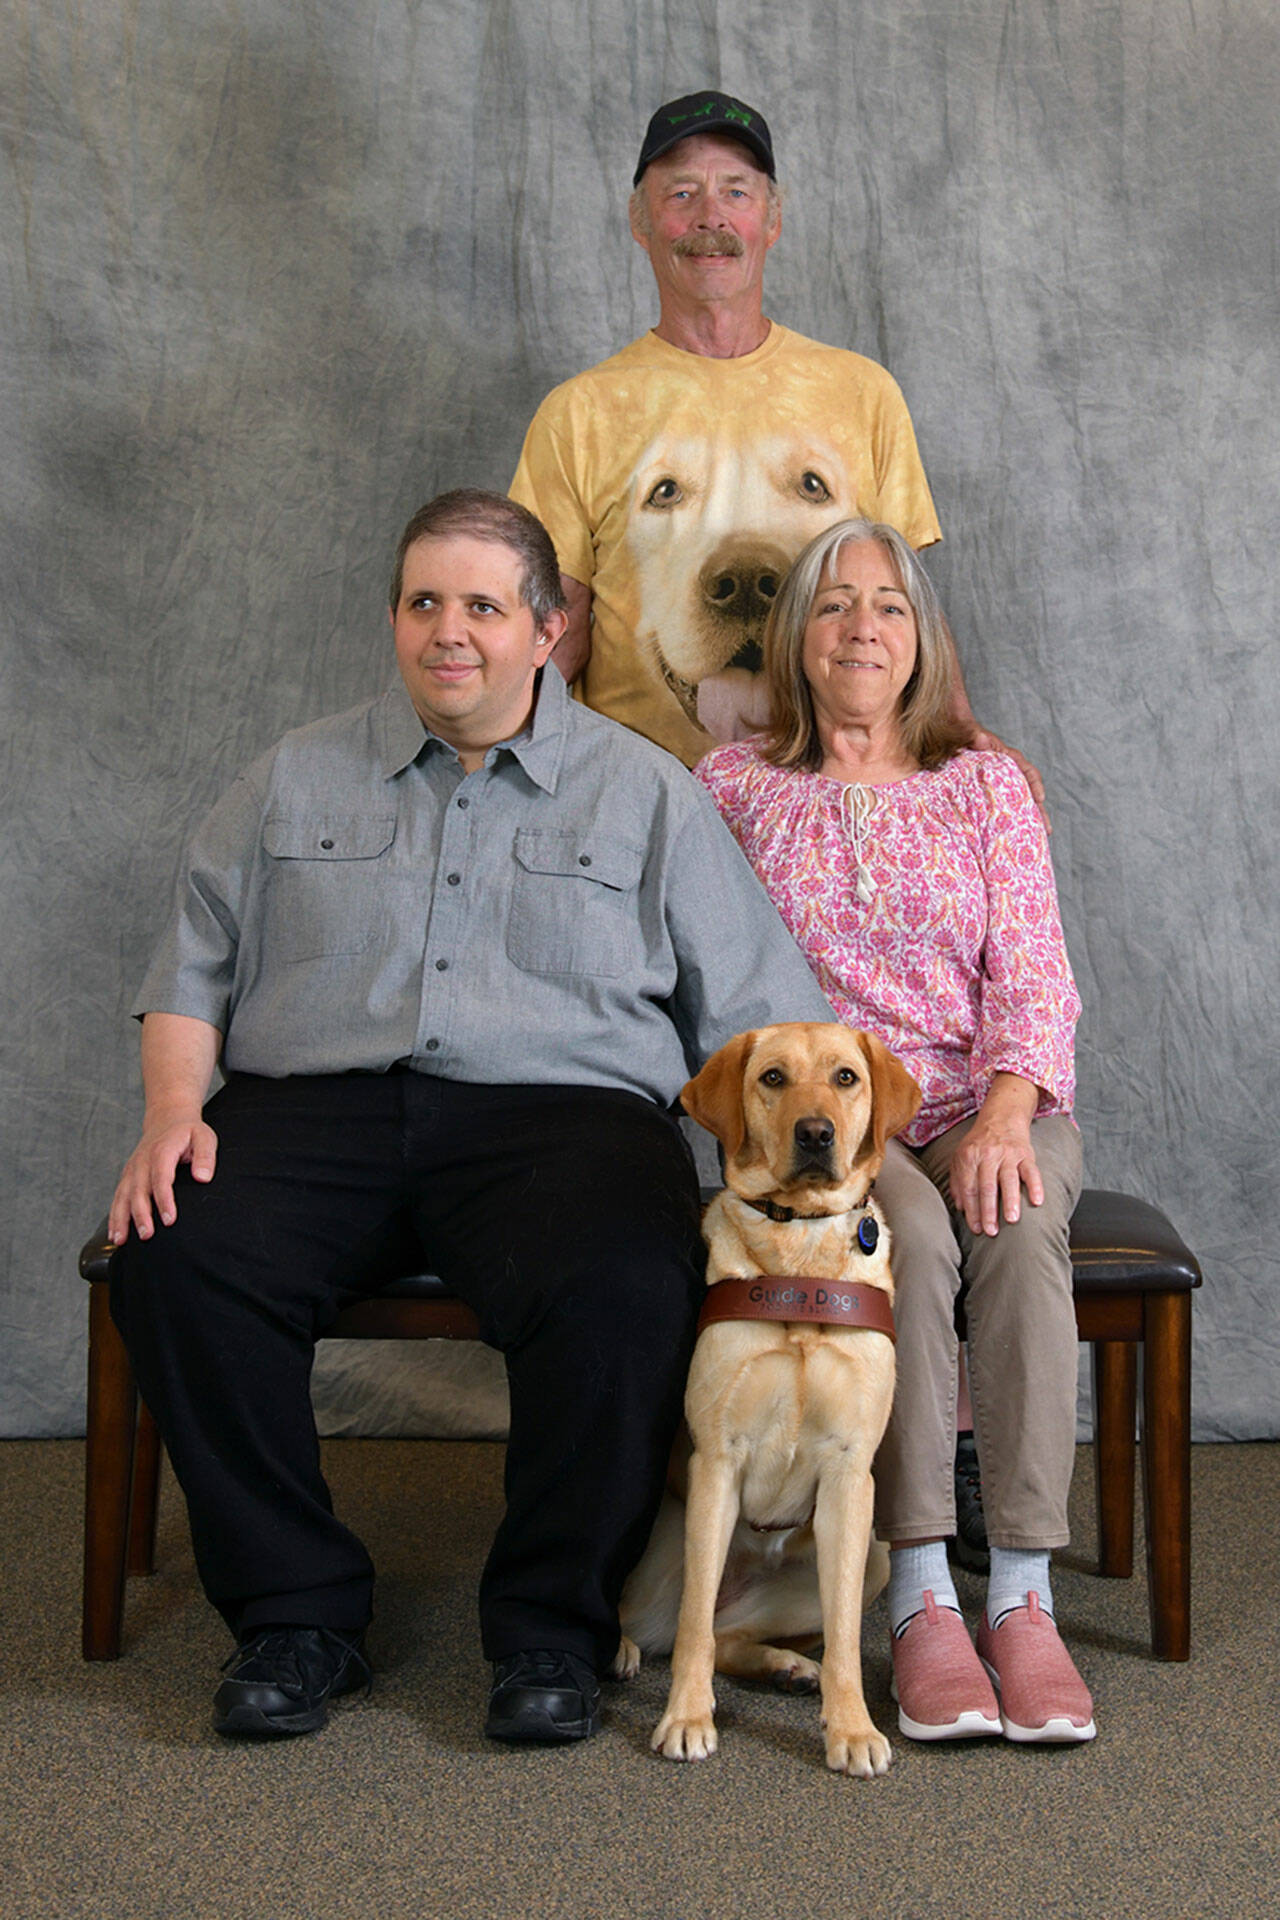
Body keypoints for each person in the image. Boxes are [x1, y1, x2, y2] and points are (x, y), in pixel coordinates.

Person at [107, 489, 836, 1747]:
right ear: (393, 618)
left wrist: (783, 1195)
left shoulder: (645, 793)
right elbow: (192, 966)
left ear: (546, 628)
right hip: (312, 1110)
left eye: (484, 606)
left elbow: (764, 1016)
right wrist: (174, 1109)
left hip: (559, 1122)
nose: (450, 631)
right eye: (423, 602)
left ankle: (549, 1628)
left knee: (622, 1280)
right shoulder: (292, 773)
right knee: (177, 1256)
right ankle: (295, 1613)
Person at [693, 518, 1095, 1744]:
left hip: (989, 1097)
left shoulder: (981, 782)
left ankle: (1019, 1596)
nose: (860, 627)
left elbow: (1033, 975)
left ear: (919, 640)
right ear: (793, 642)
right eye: (830, 606)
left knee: (1012, 1222)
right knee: (905, 1238)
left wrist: (1008, 1110)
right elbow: (711, 978)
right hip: (831, 1124)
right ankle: (919, 1590)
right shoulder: (736, 788)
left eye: (886, 605)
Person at [510, 89, 1042, 811]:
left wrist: (958, 728)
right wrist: (497, 756)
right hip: (633, 807)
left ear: (773, 219)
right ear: (640, 221)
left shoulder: (861, 393)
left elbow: (903, 602)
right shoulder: (580, 413)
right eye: (682, 193)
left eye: (736, 191)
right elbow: (556, 629)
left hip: (831, 811)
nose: (711, 217)